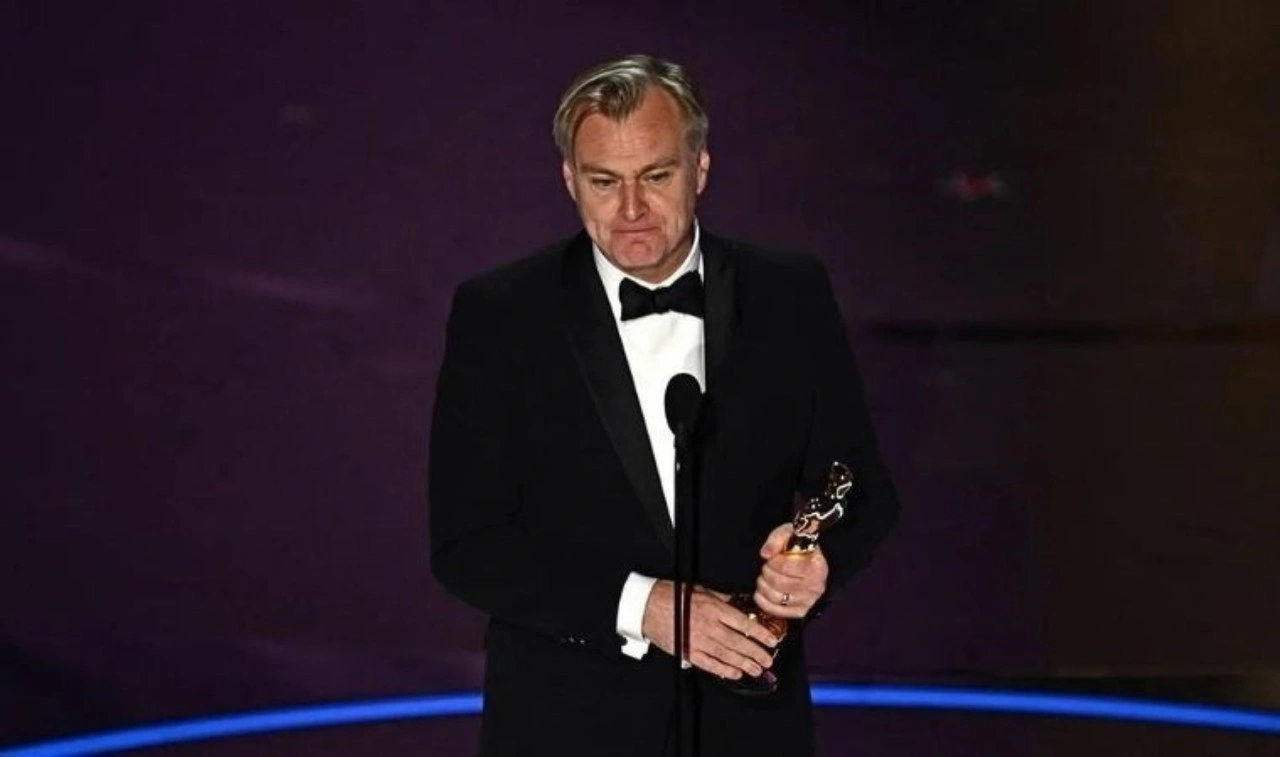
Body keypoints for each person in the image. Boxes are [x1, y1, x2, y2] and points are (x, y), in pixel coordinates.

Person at [429, 54, 900, 757]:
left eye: (655, 176)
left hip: (749, 721)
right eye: (603, 181)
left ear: (699, 169)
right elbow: (468, 544)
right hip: (566, 725)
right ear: (569, 180)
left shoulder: (789, 293)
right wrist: (642, 606)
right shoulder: (502, 314)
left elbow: (857, 485)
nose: (631, 210)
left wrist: (815, 557)